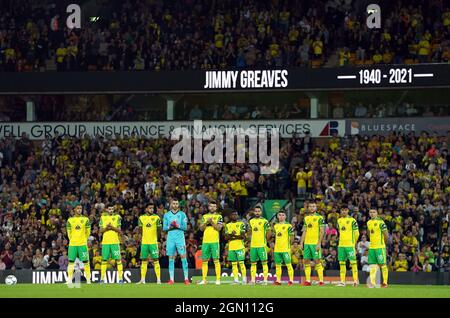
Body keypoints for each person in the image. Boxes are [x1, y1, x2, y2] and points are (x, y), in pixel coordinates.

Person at [162, 199, 190, 284]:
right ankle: (171, 279)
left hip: (180, 238)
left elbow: (185, 227)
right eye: (173, 203)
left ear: (178, 205)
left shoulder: (182, 214)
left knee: (183, 257)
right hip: (170, 238)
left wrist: (177, 225)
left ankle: (186, 279)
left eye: (176, 203)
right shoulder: (166, 215)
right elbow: (164, 228)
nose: (175, 205)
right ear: (171, 204)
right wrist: (170, 226)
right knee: (171, 258)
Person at [300, 201, 325, 286]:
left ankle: (321, 281)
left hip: (315, 243)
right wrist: (301, 243)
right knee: (306, 261)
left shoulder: (320, 218)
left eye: (313, 206)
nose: (312, 208)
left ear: (316, 207)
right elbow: (304, 231)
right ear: (308, 207)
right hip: (307, 243)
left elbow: (322, 231)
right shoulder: (306, 218)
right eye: (310, 206)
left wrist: (319, 243)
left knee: (317, 261)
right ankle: (307, 281)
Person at [198, 200, 223, 285]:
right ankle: (204, 280)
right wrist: (206, 222)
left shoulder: (219, 216)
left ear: (216, 207)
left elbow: (219, 228)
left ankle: (218, 279)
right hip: (205, 241)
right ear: (208, 207)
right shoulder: (204, 216)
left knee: (216, 260)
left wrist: (211, 222)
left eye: (214, 206)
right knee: (204, 260)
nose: (212, 208)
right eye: (211, 206)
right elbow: (201, 228)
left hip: (215, 241)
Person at [137, 202, 162, 284]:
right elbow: (140, 230)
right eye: (150, 208)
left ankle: (158, 280)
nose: (152, 209)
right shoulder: (141, 218)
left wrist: (158, 240)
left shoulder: (156, 218)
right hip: (144, 243)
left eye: (152, 208)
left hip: (153, 243)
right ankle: (142, 280)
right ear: (146, 209)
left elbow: (159, 230)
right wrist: (141, 238)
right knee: (144, 260)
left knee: (156, 260)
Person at [66, 205, 91, 285]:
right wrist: (73, 239)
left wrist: (83, 239)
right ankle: (69, 280)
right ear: (74, 210)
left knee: (86, 262)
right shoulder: (70, 220)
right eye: (78, 208)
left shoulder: (85, 219)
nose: (79, 210)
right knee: (71, 262)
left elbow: (88, 232)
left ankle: (88, 280)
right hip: (73, 244)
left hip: (82, 244)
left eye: (81, 208)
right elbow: (68, 233)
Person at [99, 204, 123, 284]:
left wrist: (111, 227)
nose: (111, 210)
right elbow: (100, 231)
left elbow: (119, 230)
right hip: (105, 242)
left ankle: (120, 279)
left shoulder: (117, 217)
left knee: (118, 260)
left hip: (115, 242)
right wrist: (106, 228)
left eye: (112, 209)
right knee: (104, 260)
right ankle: (102, 279)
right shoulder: (103, 217)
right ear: (106, 209)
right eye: (109, 209)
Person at [336, 204, 359, 287]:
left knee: (353, 263)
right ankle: (342, 282)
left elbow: (357, 233)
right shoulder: (339, 220)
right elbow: (340, 232)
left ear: (348, 211)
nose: (344, 211)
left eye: (345, 210)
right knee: (342, 263)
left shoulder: (352, 220)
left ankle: (355, 281)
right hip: (341, 245)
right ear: (340, 211)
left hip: (350, 245)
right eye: (342, 210)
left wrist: (354, 243)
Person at [247, 205, 271, 285]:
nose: (257, 212)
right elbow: (249, 232)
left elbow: (269, 232)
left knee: (264, 262)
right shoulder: (251, 221)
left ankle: (265, 280)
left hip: (261, 245)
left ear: (261, 212)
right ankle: (253, 280)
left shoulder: (265, 221)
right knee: (253, 263)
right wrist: (250, 240)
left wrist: (265, 241)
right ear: (254, 212)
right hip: (253, 246)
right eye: (256, 211)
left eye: (259, 211)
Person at [367, 208, 389, 288]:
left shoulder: (381, 222)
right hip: (372, 247)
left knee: (382, 264)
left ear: (377, 213)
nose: (372, 213)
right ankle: (372, 283)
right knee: (372, 265)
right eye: (370, 212)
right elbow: (369, 233)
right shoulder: (368, 222)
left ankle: (385, 282)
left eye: (374, 212)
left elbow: (386, 235)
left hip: (380, 247)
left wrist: (383, 243)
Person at [224, 211, 247, 285]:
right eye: (233, 215)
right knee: (233, 264)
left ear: (237, 216)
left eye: (236, 214)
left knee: (241, 263)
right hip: (231, 247)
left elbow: (243, 236)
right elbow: (226, 237)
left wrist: (231, 236)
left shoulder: (241, 224)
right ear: (230, 216)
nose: (234, 216)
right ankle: (236, 280)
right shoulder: (227, 225)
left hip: (240, 247)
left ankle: (244, 279)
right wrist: (235, 236)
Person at [272, 211, 294, 286]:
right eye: (280, 215)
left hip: (285, 249)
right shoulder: (275, 226)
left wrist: (289, 245)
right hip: (277, 249)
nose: (281, 216)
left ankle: (291, 280)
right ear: (278, 216)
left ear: (285, 216)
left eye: (283, 215)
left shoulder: (289, 226)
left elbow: (292, 237)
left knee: (288, 264)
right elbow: (274, 236)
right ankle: (278, 281)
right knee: (278, 265)